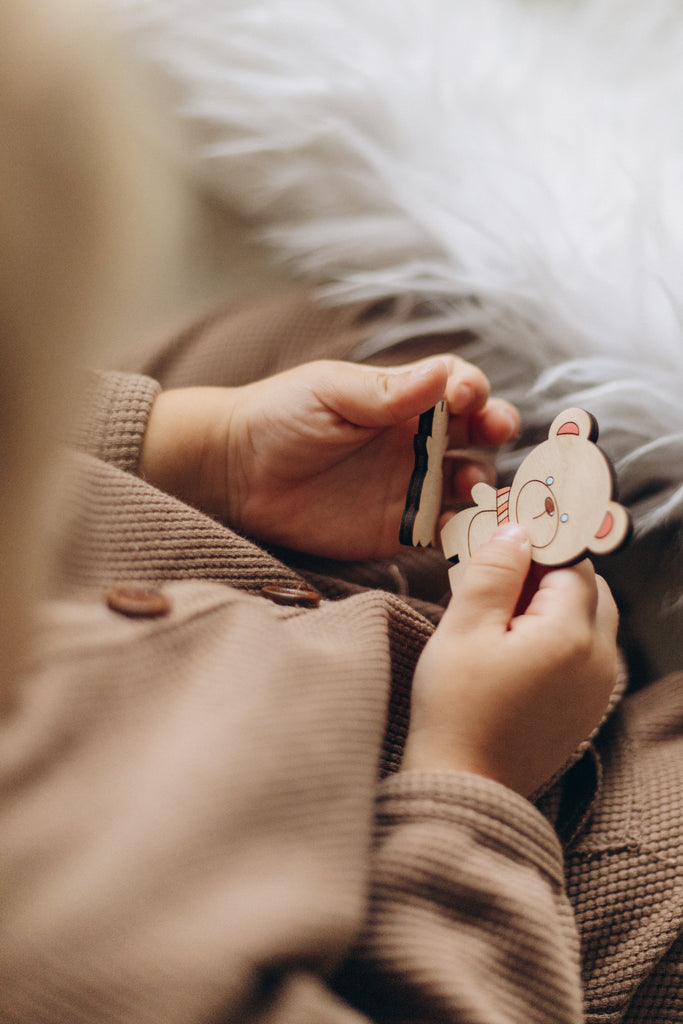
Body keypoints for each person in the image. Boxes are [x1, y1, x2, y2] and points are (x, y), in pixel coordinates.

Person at [2, 2, 682, 1022]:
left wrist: (190, 446)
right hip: (454, 872)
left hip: (194, 520)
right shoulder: (71, 967)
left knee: (405, 327)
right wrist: (474, 784)